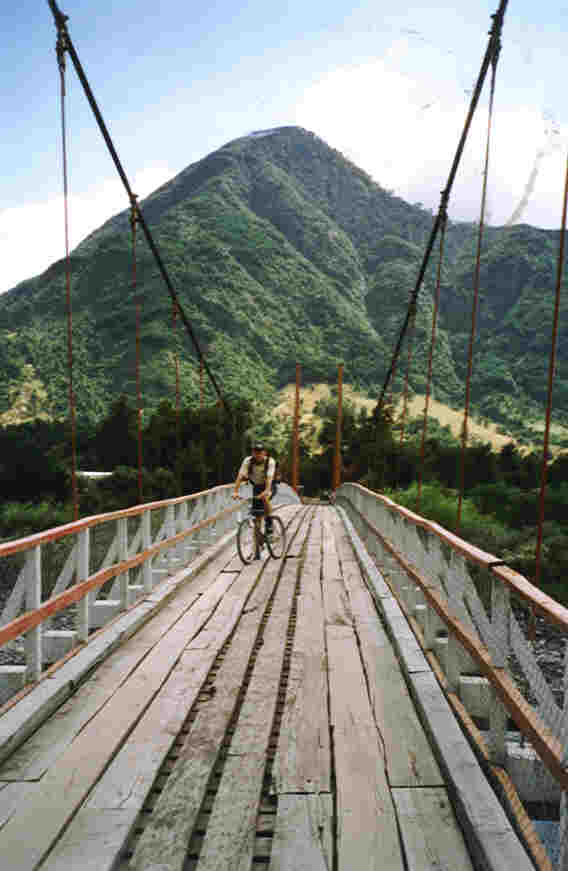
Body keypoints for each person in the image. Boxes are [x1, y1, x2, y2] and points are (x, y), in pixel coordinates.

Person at [233, 442, 275, 535]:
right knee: (257, 514)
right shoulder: (248, 461)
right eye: (255, 452)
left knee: (265, 498)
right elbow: (240, 476)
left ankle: (269, 523)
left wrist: (267, 490)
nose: (258, 455)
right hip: (256, 486)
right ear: (252, 453)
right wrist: (235, 491)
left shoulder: (270, 461)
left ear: (264, 453)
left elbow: (269, 478)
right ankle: (257, 544)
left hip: (270, 484)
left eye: (260, 452)